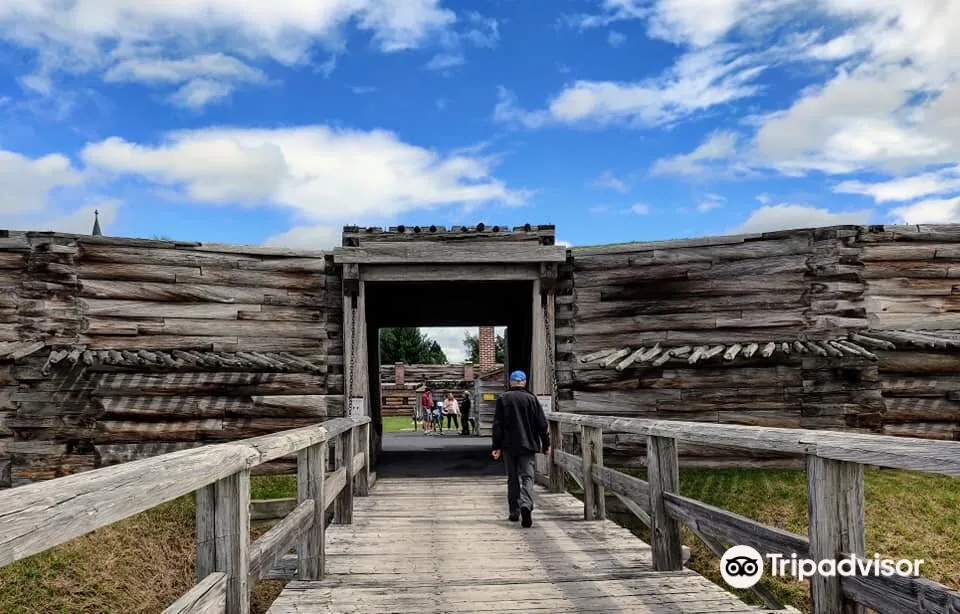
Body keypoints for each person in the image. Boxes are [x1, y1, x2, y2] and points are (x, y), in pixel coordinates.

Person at [491, 370, 550, 528]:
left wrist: (496, 446)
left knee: (512, 478)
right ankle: (526, 504)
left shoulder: (503, 399)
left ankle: (514, 511)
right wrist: (546, 444)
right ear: (524, 383)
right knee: (527, 477)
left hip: (509, 446)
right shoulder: (531, 399)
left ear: (511, 382)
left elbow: (498, 425)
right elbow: (542, 424)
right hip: (528, 445)